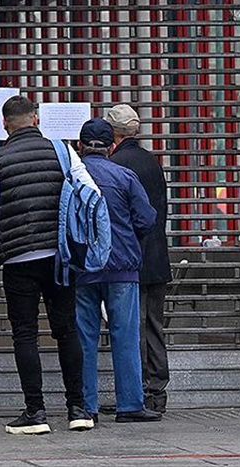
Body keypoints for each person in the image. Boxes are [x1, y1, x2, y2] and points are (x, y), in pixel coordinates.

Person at [0, 95, 97, 435]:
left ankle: (36, 413)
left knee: (25, 334)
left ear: (6, 124)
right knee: (67, 330)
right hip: (59, 257)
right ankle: (78, 408)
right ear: (35, 119)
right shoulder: (63, 150)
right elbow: (89, 192)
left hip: (18, 259)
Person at [74, 118, 162, 424]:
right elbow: (147, 219)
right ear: (111, 146)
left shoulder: (70, 179)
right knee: (125, 336)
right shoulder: (124, 176)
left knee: (83, 339)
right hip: (122, 267)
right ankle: (130, 405)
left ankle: (86, 407)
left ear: (79, 146)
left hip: (81, 269)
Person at [105, 103, 172, 413]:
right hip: (157, 258)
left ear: (113, 132)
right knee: (154, 325)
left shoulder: (115, 164)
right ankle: (158, 390)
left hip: (129, 260)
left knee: (133, 326)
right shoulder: (152, 162)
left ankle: (142, 391)